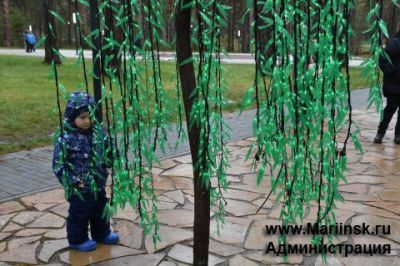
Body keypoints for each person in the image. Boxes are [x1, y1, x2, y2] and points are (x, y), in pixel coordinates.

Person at [52, 92, 119, 251]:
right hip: (79, 188)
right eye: (82, 117)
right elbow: (58, 164)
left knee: (101, 210)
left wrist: (114, 157)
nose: (87, 121)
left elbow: (109, 149)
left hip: (98, 183)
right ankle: (78, 239)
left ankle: (102, 233)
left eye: (90, 116)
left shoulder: (99, 133)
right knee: (79, 214)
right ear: (72, 116)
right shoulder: (66, 138)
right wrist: (73, 181)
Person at [374, 23, 400, 144]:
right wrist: (394, 72)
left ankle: (398, 135)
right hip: (394, 85)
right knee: (390, 108)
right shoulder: (395, 43)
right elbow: (383, 60)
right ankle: (380, 133)